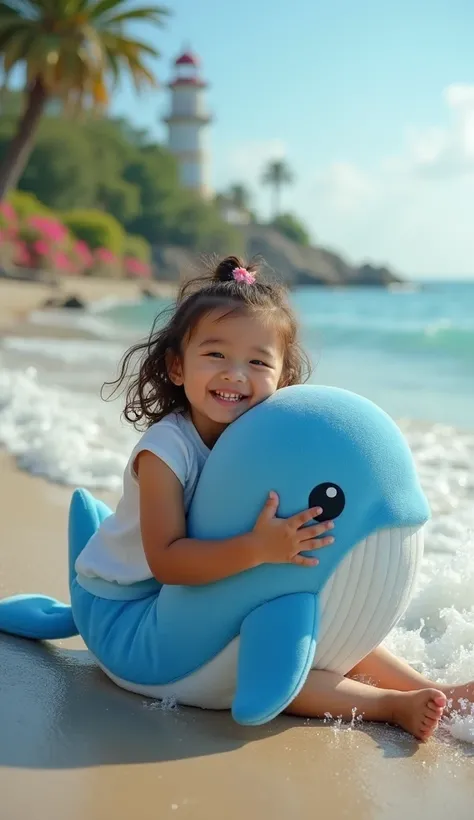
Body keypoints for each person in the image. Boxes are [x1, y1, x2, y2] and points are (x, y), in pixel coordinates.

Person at [76, 255, 472, 741]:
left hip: (190, 583)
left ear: (283, 380)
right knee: (251, 645)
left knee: (325, 611)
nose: (236, 374)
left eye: (258, 361)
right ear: (177, 366)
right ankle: (389, 706)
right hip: (129, 599)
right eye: (216, 355)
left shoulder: (253, 446)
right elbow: (167, 563)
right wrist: (259, 549)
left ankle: (432, 689)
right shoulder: (164, 451)